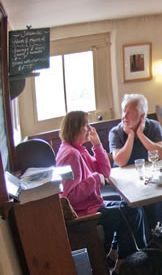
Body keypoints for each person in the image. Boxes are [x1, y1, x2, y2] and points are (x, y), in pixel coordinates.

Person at [56, 111, 145, 262]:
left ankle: (119, 257)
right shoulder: (71, 155)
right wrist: (96, 179)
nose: (90, 128)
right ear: (75, 128)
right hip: (85, 214)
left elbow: (105, 171)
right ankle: (130, 264)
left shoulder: (78, 150)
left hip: (92, 206)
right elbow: (69, 197)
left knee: (131, 207)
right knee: (132, 212)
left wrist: (97, 145)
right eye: (85, 125)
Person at [109, 94, 162, 228]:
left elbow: (160, 153)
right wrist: (130, 136)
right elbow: (121, 161)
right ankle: (145, 243)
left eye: (129, 113)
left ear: (142, 116)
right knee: (135, 206)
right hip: (126, 182)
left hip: (149, 178)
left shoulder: (153, 126)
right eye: (124, 111)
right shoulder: (116, 132)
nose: (124, 116)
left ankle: (161, 236)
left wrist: (140, 135)